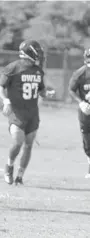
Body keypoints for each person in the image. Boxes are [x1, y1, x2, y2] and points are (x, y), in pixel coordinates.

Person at [0, 39, 55, 186]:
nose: (40, 56)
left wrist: (47, 94)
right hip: (17, 112)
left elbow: (41, 91)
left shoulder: (38, 71)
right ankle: (9, 166)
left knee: (28, 145)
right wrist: (6, 101)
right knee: (18, 142)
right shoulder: (13, 67)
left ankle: (20, 176)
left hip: (32, 113)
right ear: (30, 52)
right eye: (38, 52)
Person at [68, 48, 90, 178]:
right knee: (87, 140)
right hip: (86, 110)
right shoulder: (80, 73)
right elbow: (71, 90)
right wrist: (80, 102)